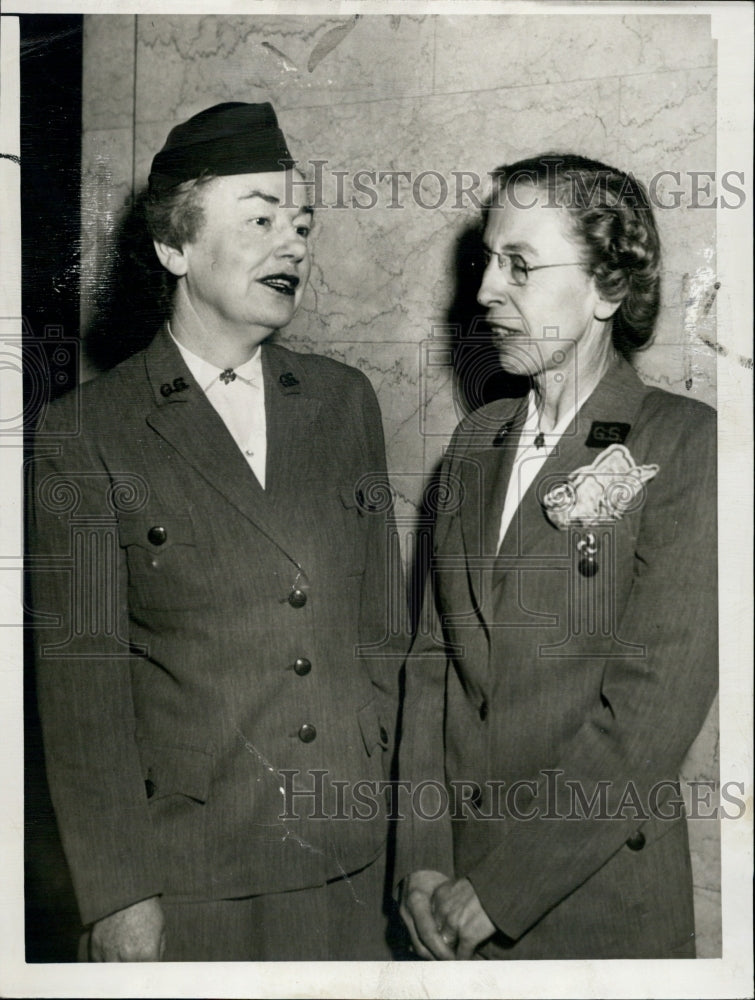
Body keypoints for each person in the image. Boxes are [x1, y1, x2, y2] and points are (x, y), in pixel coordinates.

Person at [28, 102, 403, 962]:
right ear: (174, 248)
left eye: (300, 223)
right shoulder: (88, 431)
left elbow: (385, 636)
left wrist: (403, 831)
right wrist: (119, 893)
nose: (294, 244)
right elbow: (82, 695)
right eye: (262, 219)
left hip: (350, 857)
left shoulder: (345, 402)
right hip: (192, 873)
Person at [397, 153, 717, 960]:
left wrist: (499, 891)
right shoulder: (471, 446)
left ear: (608, 287)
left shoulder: (684, 444)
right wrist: (421, 865)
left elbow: (648, 714)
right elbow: (430, 669)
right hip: (450, 903)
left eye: (519, 266)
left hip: (595, 906)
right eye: (485, 262)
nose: (482, 293)